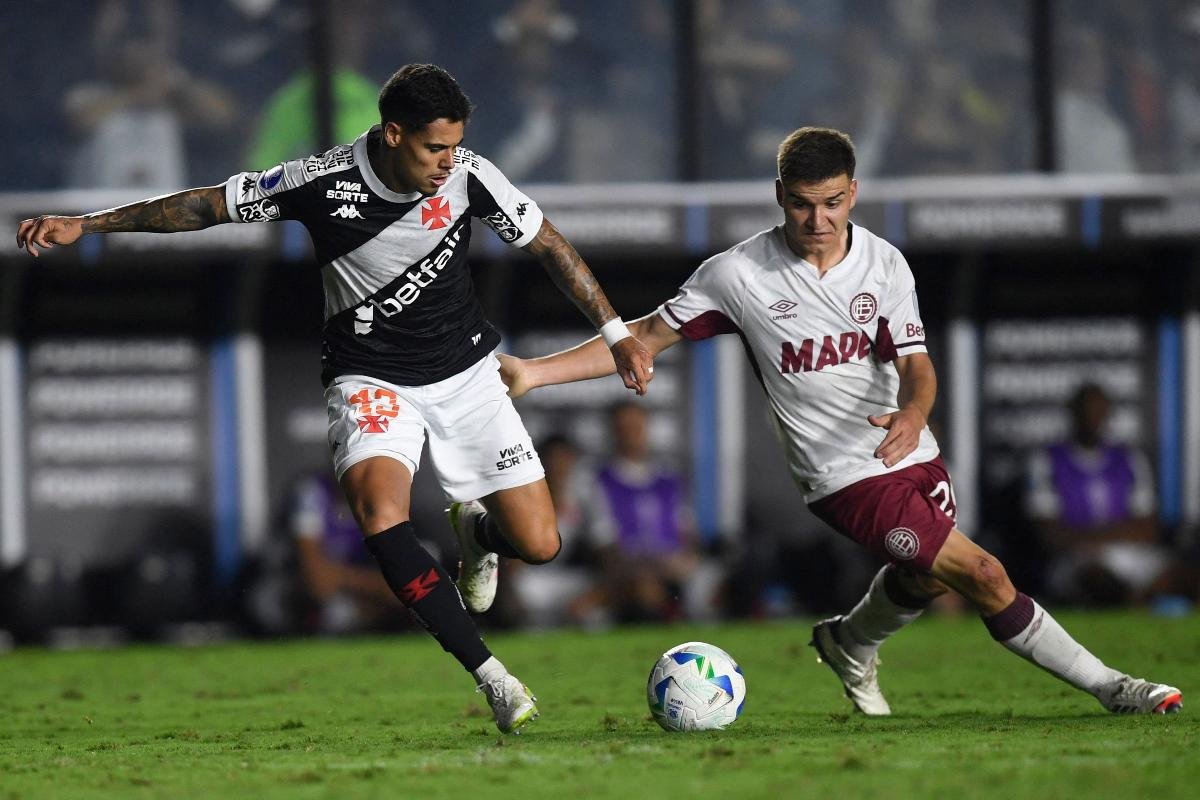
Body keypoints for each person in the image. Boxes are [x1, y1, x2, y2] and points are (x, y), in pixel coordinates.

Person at [16, 63, 654, 734]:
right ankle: (492, 677)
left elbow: (548, 244)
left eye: (454, 146)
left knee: (542, 543)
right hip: (370, 377)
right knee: (381, 514)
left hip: (467, 372)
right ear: (392, 133)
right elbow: (203, 206)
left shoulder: (471, 174)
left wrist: (616, 335)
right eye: (433, 148)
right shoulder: (321, 182)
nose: (447, 162)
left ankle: (479, 531)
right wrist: (87, 225)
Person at [498, 126, 1182, 716]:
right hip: (839, 475)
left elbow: (917, 364)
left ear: (852, 194)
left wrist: (915, 414)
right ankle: (1113, 686)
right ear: (780, 197)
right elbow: (640, 337)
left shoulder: (884, 264)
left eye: (830, 203)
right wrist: (533, 372)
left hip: (908, 448)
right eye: (801, 205)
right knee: (984, 574)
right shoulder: (737, 276)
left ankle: (850, 641)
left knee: (929, 576)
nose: (817, 220)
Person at [1026, 383, 1196, 607]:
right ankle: (1131, 601)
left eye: (1098, 411)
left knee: (1186, 576)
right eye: (1085, 412)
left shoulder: (1129, 459)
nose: (1092, 419)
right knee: (1097, 579)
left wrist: (1105, 536)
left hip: (1126, 552)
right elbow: (1048, 532)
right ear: (1073, 414)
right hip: (1076, 555)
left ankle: (1146, 601)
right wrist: (1099, 539)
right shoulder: (1048, 461)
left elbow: (1148, 527)